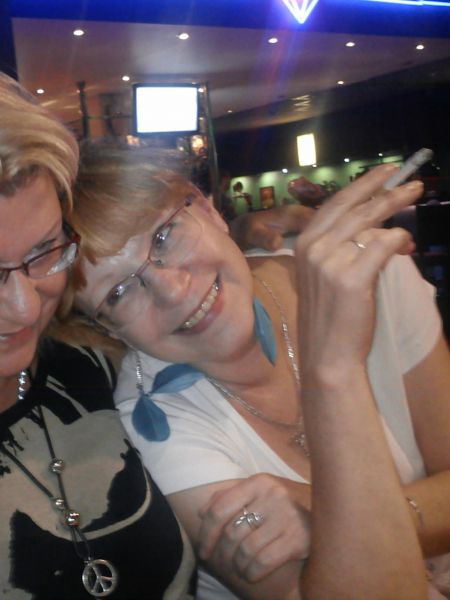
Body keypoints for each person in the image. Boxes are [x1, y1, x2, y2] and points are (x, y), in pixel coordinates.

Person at [57, 141, 450, 600]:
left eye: (163, 236)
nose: (173, 290)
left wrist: (321, 512)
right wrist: (335, 370)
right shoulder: (155, 428)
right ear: (106, 328)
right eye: (119, 293)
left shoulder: (362, 273)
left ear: (207, 208)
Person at [0, 72, 326, 599]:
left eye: (42, 251)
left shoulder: (86, 363)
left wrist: (248, 239)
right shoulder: (151, 398)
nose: (24, 307)